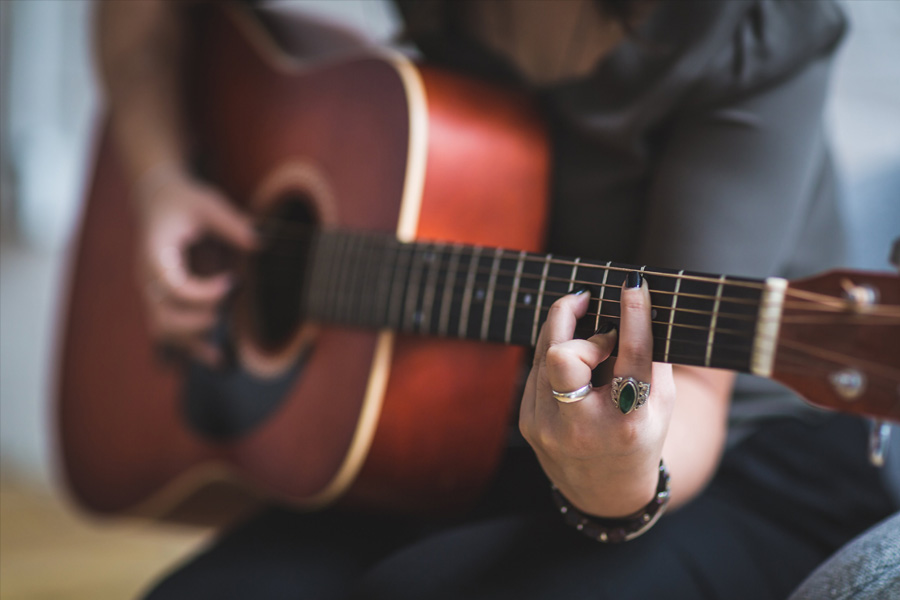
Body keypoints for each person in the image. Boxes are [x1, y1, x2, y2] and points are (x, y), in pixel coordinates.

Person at [95, 1, 897, 598]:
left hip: (734, 460)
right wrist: (160, 175)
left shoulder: (750, 23)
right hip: (459, 425)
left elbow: (695, 403)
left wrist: (615, 483)